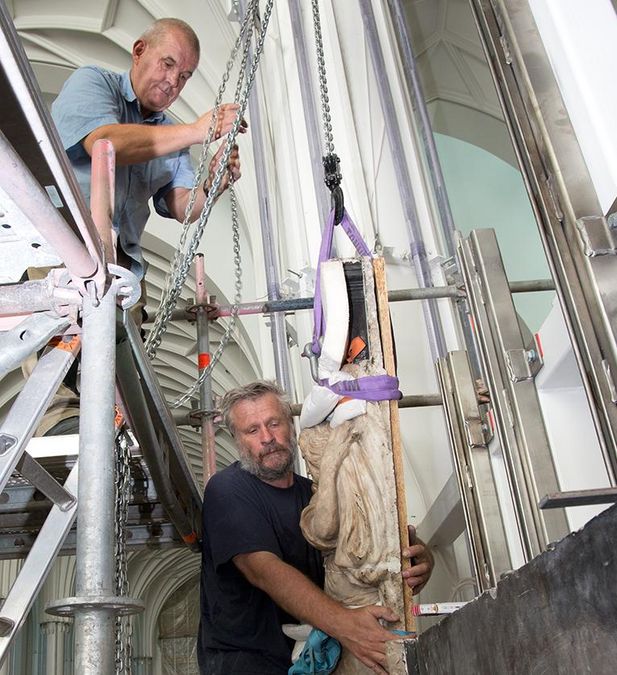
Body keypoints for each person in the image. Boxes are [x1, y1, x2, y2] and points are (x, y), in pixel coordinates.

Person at [198, 380, 434, 675]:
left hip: (311, 659)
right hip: (246, 662)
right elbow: (263, 569)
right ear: (237, 440)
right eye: (252, 430)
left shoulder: (316, 494)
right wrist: (345, 625)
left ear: (291, 426)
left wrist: (416, 560)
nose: (268, 437)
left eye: (274, 423)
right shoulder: (227, 489)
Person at [51, 17, 245, 282]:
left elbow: (182, 207)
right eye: (168, 64)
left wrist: (213, 184)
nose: (173, 82)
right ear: (139, 51)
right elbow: (104, 144)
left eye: (184, 76)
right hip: (62, 252)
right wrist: (196, 131)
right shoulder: (93, 82)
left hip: (121, 270)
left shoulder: (173, 136)